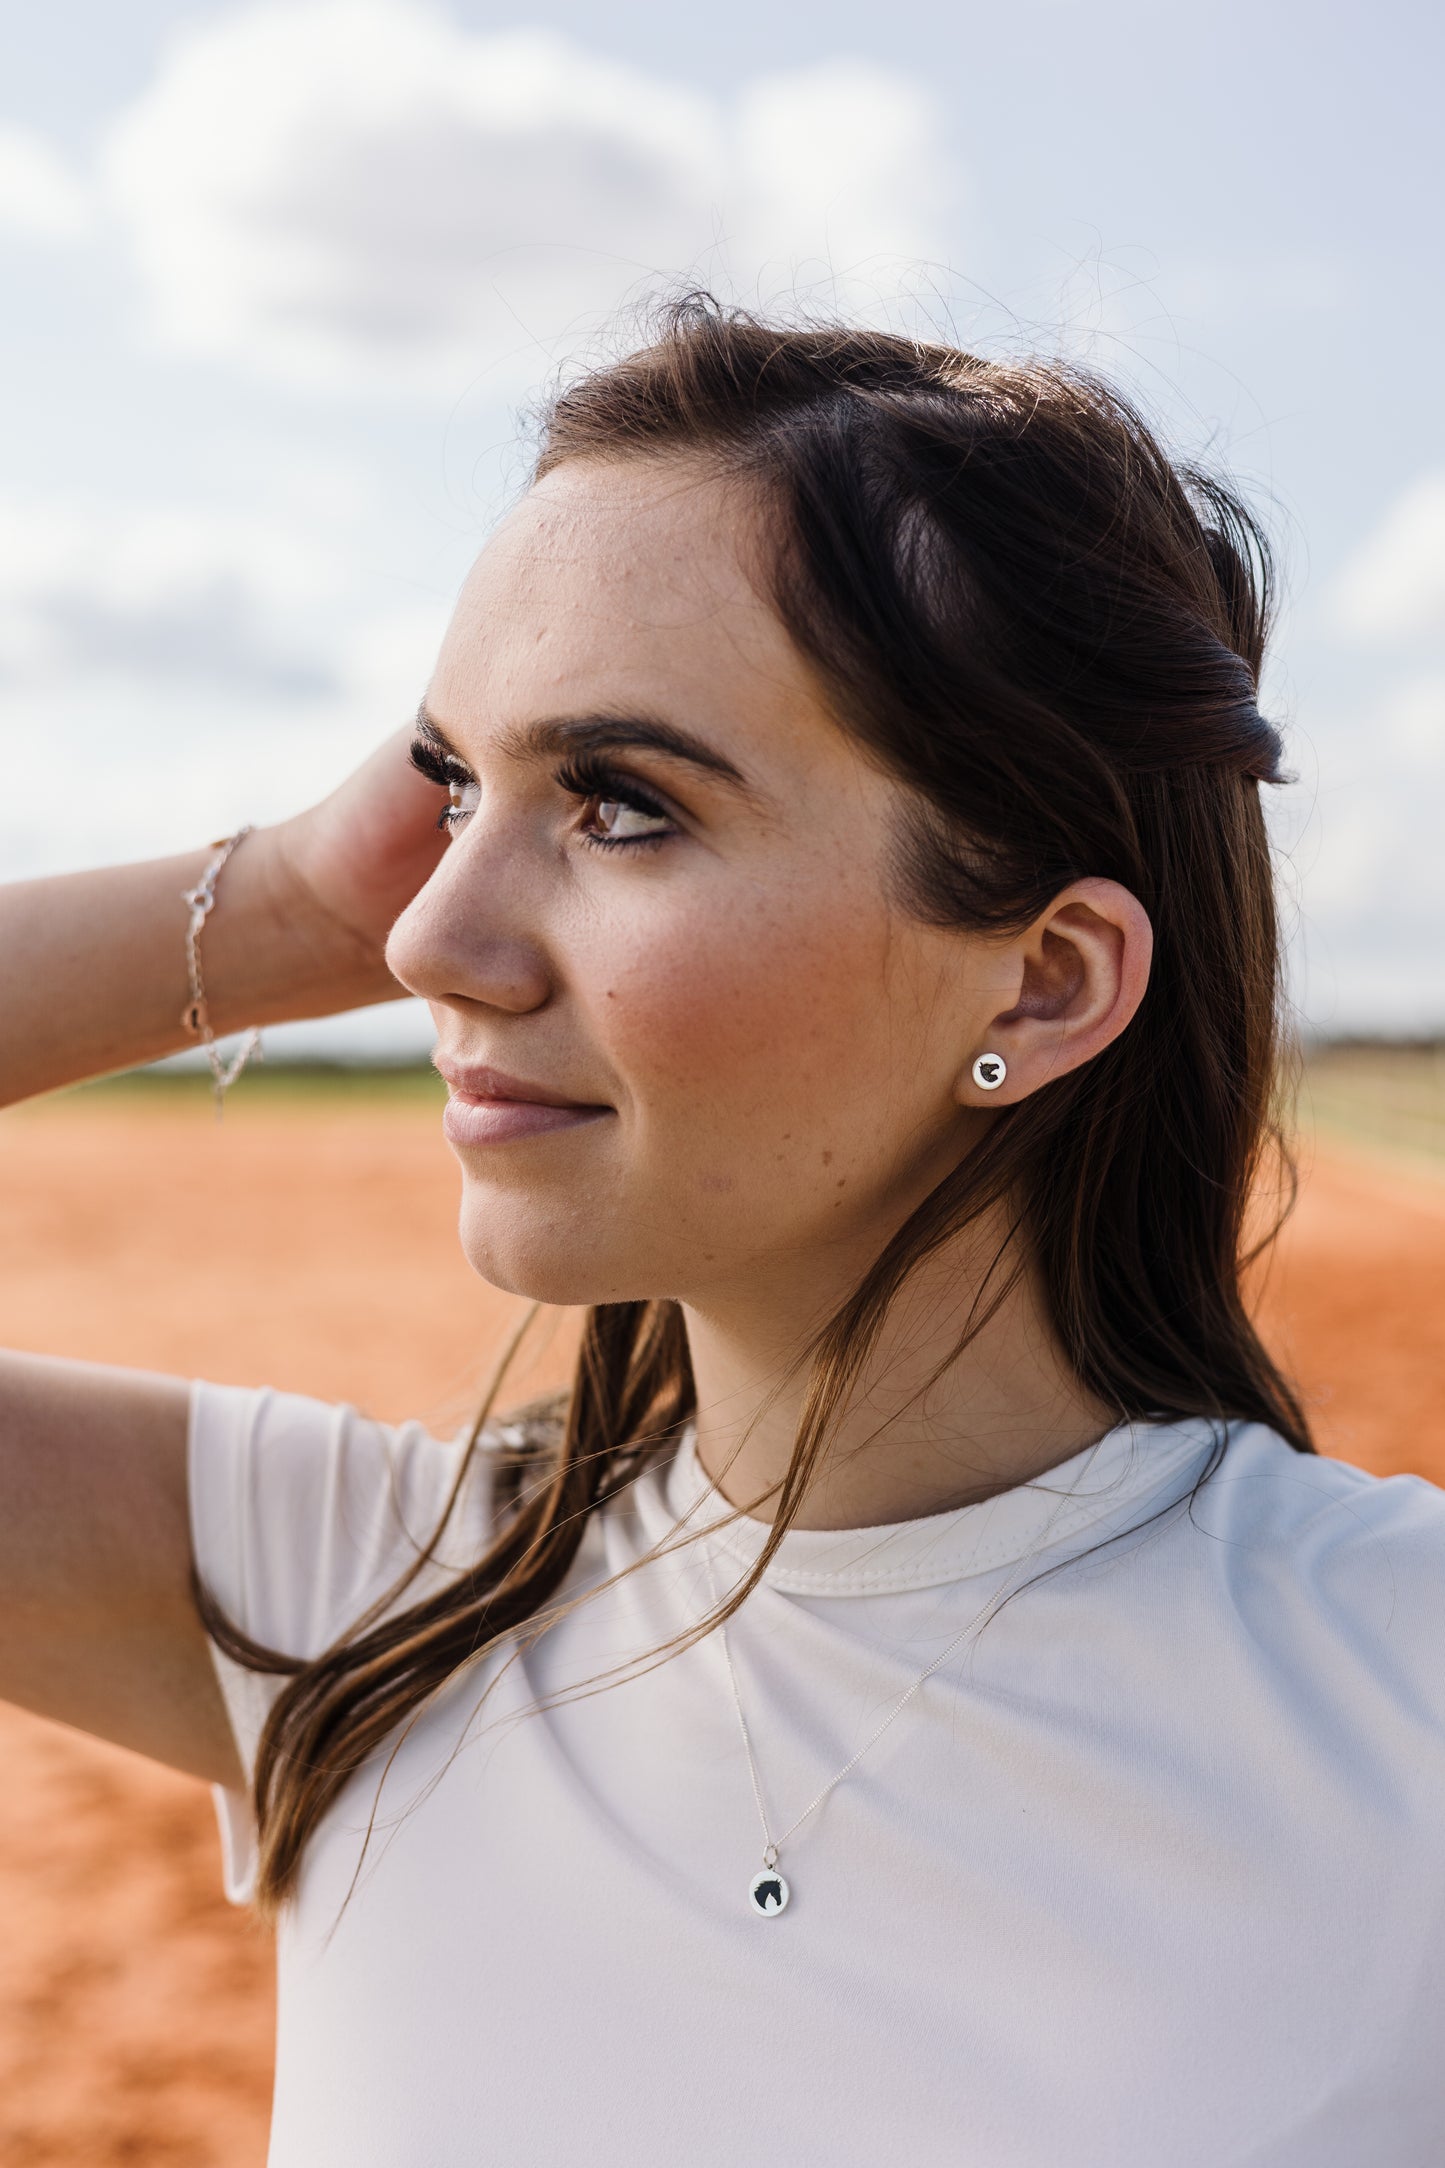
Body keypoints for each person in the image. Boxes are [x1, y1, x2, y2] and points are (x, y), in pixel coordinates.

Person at [2, 301, 1442, 2167]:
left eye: (620, 803)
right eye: (452, 792)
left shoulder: (1401, 1686)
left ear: (1047, 973)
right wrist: (278, 896)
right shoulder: (366, 1608)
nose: (428, 938)